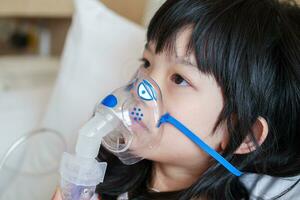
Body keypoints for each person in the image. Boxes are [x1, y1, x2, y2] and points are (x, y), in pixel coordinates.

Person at [53, 0, 300, 199]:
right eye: (147, 63)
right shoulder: (104, 181)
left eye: (179, 79)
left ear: (243, 133)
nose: (141, 88)